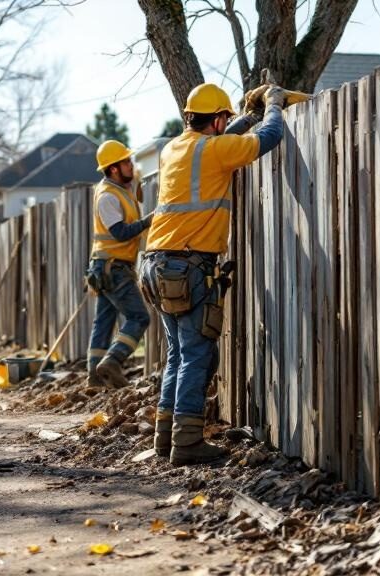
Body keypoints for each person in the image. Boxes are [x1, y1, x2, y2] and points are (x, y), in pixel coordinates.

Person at [140, 82, 285, 465]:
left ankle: (165, 437)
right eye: (224, 120)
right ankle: (186, 443)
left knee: (178, 354)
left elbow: (223, 139)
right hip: (186, 267)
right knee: (198, 355)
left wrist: (246, 116)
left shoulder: (174, 148)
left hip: (155, 264)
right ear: (218, 120)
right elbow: (269, 137)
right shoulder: (216, 150)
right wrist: (272, 105)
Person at [85, 140, 153, 388]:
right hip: (112, 268)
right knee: (139, 317)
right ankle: (112, 361)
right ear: (113, 168)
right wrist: (148, 221)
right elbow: (121, 233)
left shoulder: (119, 189)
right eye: (126, 161)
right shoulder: (107, 197)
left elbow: (136, 177)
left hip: (106, 266)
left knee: (104, 320)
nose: (131, 164)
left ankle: (94, 378)